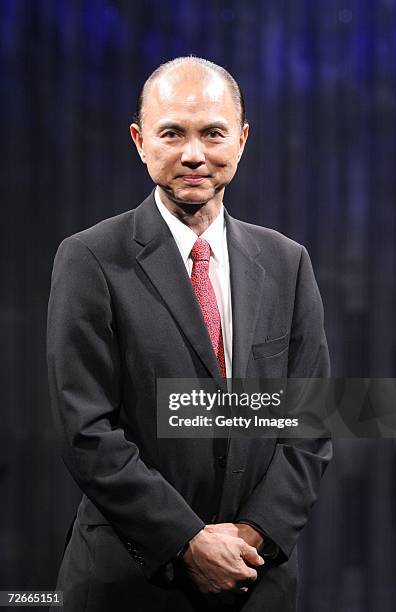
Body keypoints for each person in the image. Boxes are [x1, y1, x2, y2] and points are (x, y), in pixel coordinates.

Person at [47, 56, 332, 612]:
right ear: (140, 140)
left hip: (257, 579)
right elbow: (86, 431)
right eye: (172, 133)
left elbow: (313, 417)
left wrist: (252, 535)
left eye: (213, 133)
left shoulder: (287, 262)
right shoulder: (90, 259)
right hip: (131, 580)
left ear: (243, 139)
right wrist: (188, 542)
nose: (194, 154)